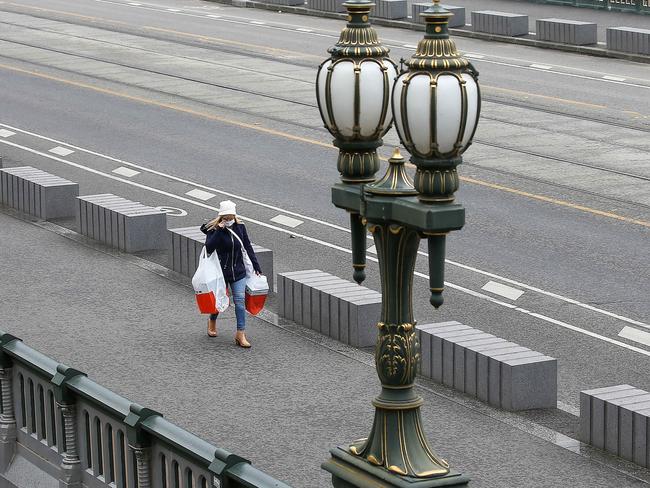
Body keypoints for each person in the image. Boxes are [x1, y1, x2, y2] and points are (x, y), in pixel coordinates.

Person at [200, 200, 262, 348]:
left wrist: (256, 265)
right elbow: (209, 247)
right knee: (219, 300)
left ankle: (240, 334)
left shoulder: (240, 227)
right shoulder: (214, 229)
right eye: (226, 218)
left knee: (239, 301)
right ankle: (212, 320)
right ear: (221, 217)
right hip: (220, 272)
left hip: (238, 271)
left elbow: (247, 246)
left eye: (231, 218)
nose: (229, 221)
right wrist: (219, 230)